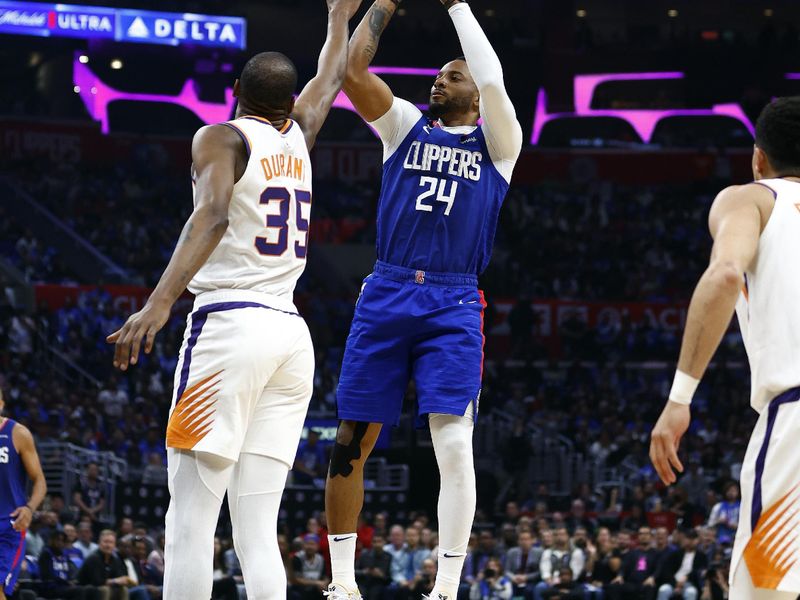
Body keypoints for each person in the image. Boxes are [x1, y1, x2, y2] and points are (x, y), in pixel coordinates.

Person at [106, 0, 363, 598]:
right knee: (255, 530)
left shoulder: (220, 136)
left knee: (190, 519)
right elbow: (331, 76)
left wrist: (159, 302)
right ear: (287, 100)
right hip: (290, 338)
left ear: (235, 93)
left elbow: (213, 214)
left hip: (229, 326)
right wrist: (338, 19)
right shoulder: (300, 132)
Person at [324, 0, 522, 598]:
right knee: (351, 439)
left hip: (453, 303)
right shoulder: (405, 125)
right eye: (438, 72)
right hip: (386, 289)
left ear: (478, 97)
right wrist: (384, 5)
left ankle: (447, 587)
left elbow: (492, 77)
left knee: (454, 442)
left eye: (452, 75)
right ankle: (341, 584)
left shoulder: (500, 144)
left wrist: (458, 6)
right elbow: (353, 73)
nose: (441, 79)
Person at [650, 96, 800, 599]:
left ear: (758, 158)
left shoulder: (752, 198)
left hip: (795, 424)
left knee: (762, 590)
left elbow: (725, 273)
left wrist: (679, 400)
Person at [0, 388, 47, 600]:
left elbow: (40, 482)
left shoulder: (17, 433)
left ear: (1, 404)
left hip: (9, 526)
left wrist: (29, 508)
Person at [77, 530, 133, 600]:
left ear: (114, 545)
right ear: (99, 543)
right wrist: (115, 581)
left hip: (102, 588)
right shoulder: (93, 558)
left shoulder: (114, 559)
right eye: (105, 542)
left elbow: (119, 576)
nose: (108, 545)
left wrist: (122, 580)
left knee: (123, 589)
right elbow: (97, 582)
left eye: (111, 542)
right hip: (85, 589)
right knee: (105, 590)